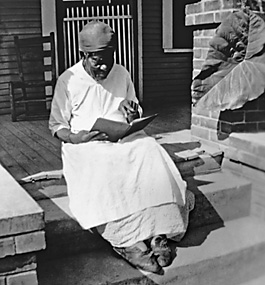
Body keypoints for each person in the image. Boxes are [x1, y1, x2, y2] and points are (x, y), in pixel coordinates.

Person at [49, 20, 194, 274]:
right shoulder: (68, 80)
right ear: (85, 55)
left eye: (108, 58)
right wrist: (74, 138)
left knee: (150, 150)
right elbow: (57, 125)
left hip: (121, 138)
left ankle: (158, 233)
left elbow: (132, 106)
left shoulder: (122, 72)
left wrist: (132, 111)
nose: (104, 65)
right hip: (86, 144)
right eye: (97, 60)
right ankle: (128, 242)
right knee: (104, 164)